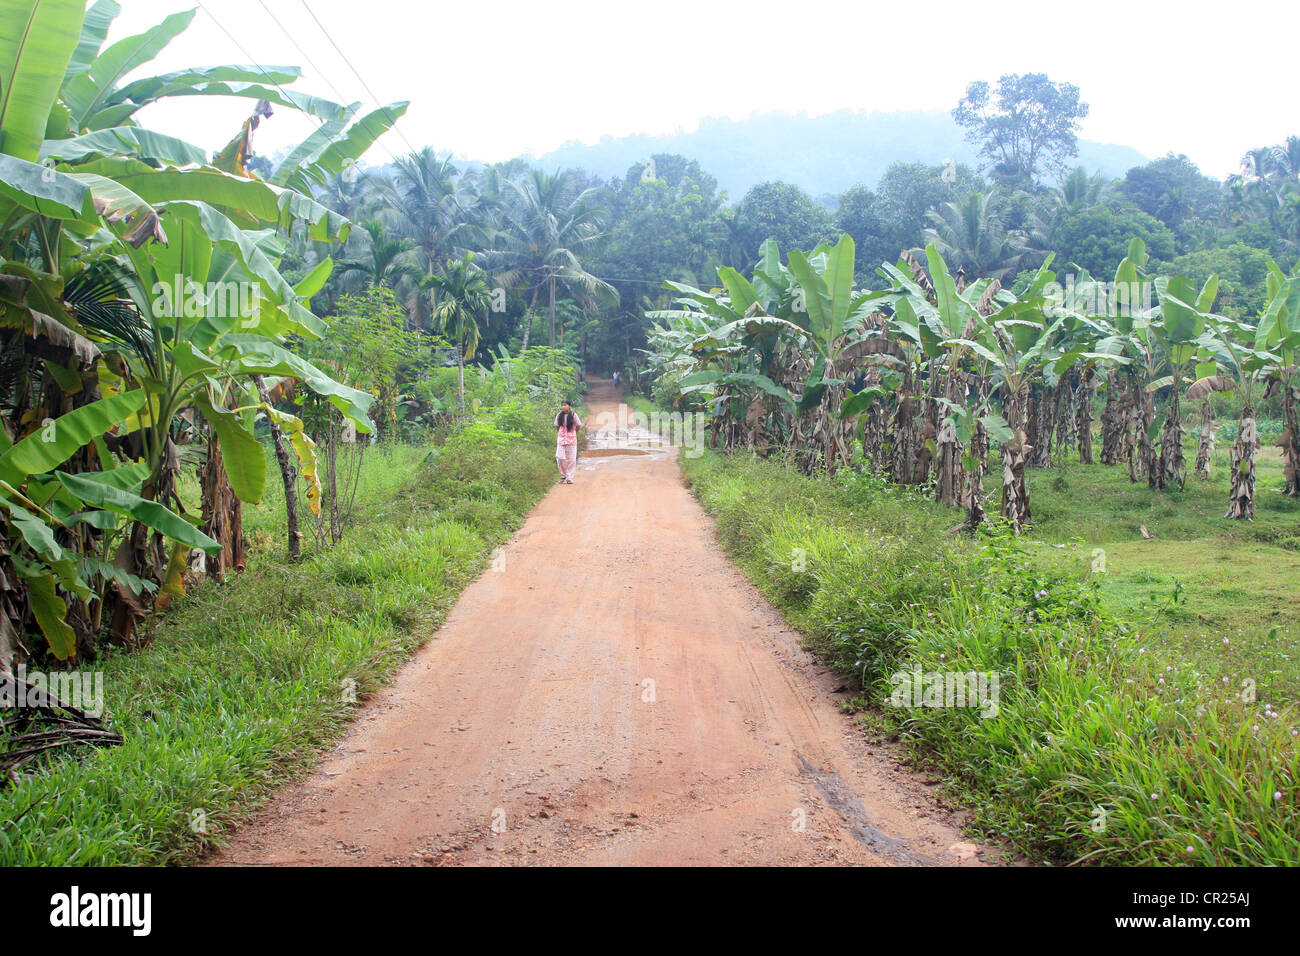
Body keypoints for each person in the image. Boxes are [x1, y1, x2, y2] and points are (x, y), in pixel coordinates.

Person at [555, 400, 582, 484]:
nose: (563, 407)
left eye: (565, 405)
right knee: (560, 457)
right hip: (561, 440)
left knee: (571, 459)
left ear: (569, 406)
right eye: (562, 405)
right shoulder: (559, 415)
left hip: (571, 440)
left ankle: (569, 477)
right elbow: (557, 426)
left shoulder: (574, 415)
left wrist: (574, 434)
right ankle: (563, 475)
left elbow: (578, 426)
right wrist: (561, 434)